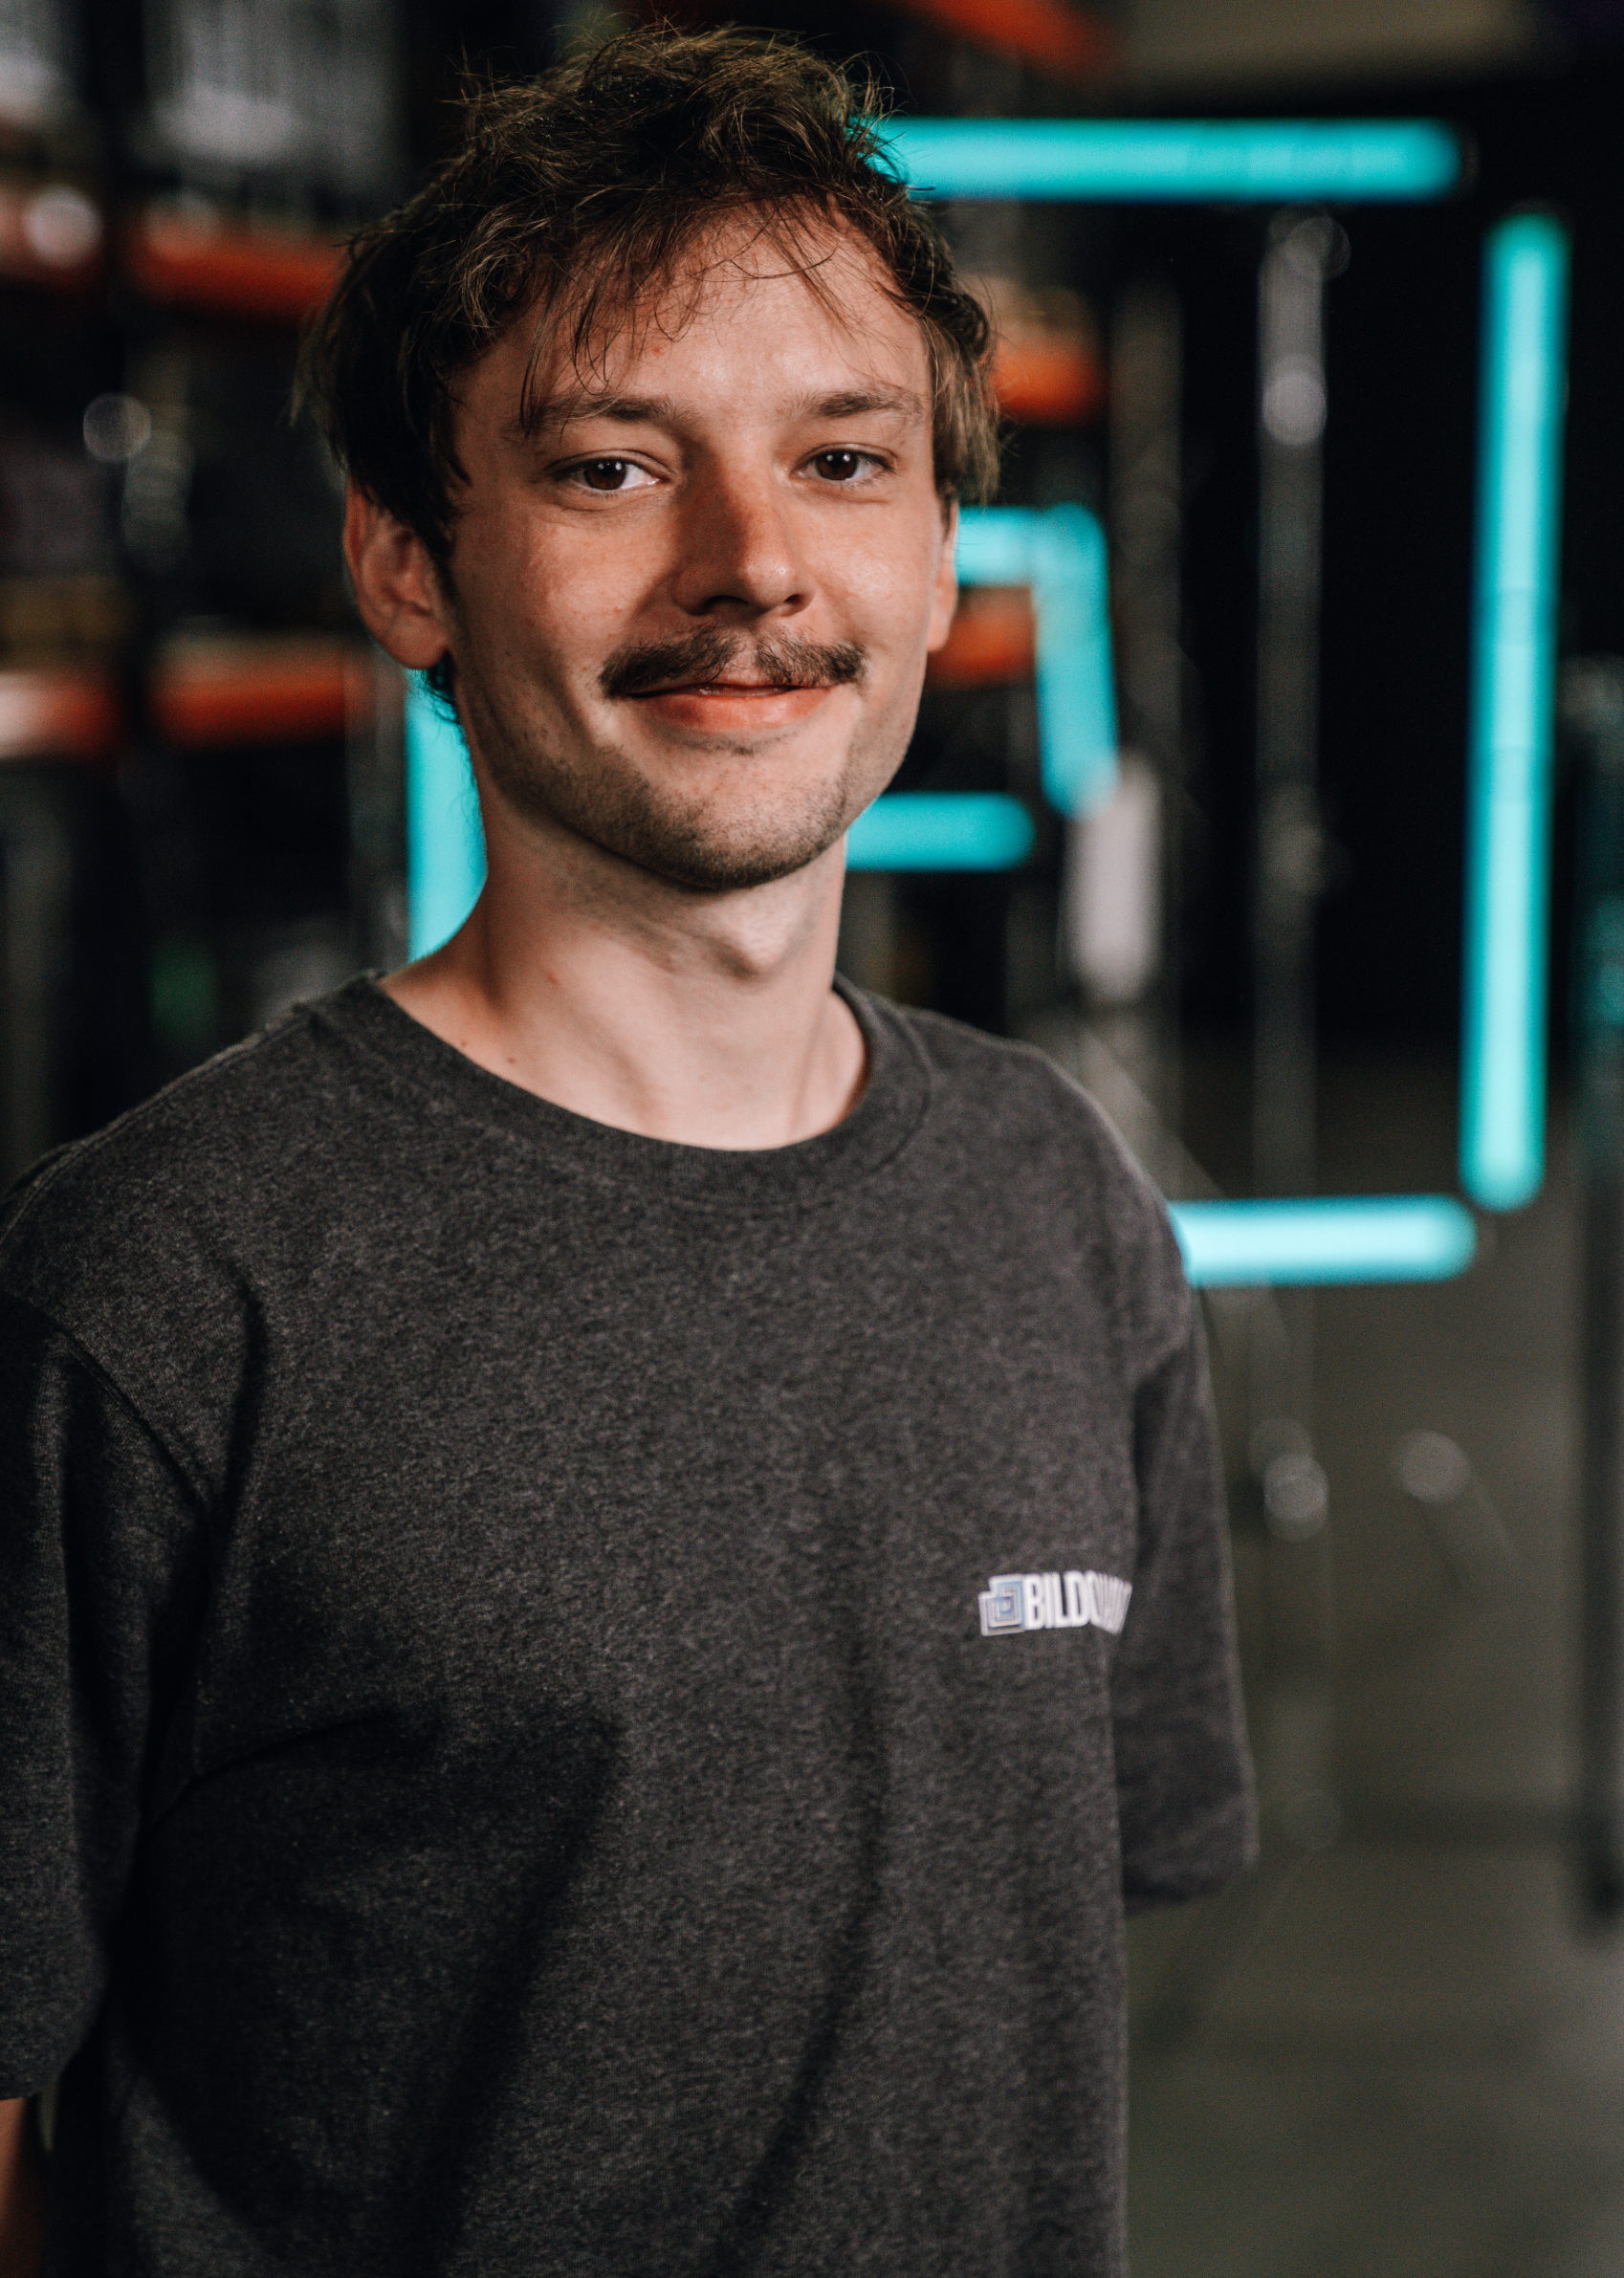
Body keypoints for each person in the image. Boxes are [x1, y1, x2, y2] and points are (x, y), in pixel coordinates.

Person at [0, 29, 1253, 2276]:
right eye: (608, 468)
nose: (752, 562)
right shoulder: (166, 1288)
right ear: (406, 571)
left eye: (844, 457)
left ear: (946, 549)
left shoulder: (1062, 1207)